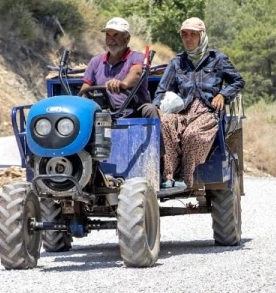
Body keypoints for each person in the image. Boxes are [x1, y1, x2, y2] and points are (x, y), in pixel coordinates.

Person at [150, 17, 244, 190]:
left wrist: (223, 95)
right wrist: (156, 107)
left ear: (202, 36)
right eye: (184, 34)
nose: (188, 39)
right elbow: (162, 89)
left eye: (193, 35)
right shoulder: (177, 62)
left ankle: (186, 179)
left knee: (192, 135)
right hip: (183, 111)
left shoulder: (218, 59)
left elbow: (238, 81)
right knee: (164, 124)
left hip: (208, 112)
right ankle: (168, 177)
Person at [79, 17, 150, 116]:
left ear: (127, 38)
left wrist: (122, 84)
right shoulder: (96, 61)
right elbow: (84, 90)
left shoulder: (137, 57)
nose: (111, 39)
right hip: (102, 114)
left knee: (150, 109)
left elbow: (136, 73)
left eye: (116, 35)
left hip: (133, 112)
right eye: (108, 35)